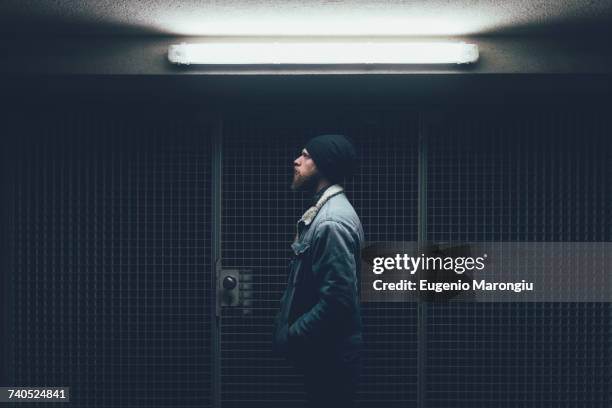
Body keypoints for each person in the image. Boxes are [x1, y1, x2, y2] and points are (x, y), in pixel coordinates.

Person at [273, 134, 365, 408]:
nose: (296, 160)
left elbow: (337, 301)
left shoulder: (330, 222)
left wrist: (292, 335)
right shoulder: (328, 213)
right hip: (327, 355)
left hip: (329, 358)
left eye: (305, 155)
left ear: (324, 164)